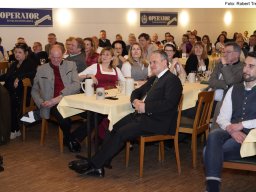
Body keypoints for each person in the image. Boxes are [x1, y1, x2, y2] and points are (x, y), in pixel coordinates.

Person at [69, 50, 183, 177]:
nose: (152, 65)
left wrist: (146, 106)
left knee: (122, 132)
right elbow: (136, 92)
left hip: (158, 121)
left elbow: (169, 104)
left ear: (165, 62)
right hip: (143, 116)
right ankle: (100, 163)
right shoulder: (154, 79)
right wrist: (135, 100)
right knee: (113, 127)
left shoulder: (172, 80)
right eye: (150, 62)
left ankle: (95, 165)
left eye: (154, 62)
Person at [203, 52, 256, 192]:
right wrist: (232, 130)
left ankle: (211, 188)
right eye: (245, 65)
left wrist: (243, 125)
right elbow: (222, 118)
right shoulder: (235, 88)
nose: (245, 69)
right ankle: (213, 188)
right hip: (232, 131)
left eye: (251, 66)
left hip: (252, 137)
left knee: (206, 152)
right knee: (214, 134)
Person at [31, 45, 82, 152]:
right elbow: (34, 90)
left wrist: (61, 96)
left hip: (71, 99)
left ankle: (71, 138)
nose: (56, 60)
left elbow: (77, 84)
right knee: (64, 118)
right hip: (51, 103)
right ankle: (71, 140)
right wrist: (41, 102)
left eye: (58, 57)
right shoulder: (41, 69)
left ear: (63, 55)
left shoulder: (71, 65)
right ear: (49, 55)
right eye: (53, 57)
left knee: (94, 116)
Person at [0, 43, 36, 139]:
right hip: (14, 92)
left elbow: (32, 73)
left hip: (25, 95)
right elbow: (7, 76)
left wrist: (19, 77)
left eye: (20, 52)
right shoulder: (15, 64)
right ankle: (6, 128)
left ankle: (15, 129)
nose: (17, 54)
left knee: (8, 101)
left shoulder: (30, 63)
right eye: (15, 52)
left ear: (26, 53)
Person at [208, 42, 244, 128]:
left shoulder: (242, 68)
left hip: (226, 100)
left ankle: (214, 132)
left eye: (228, 52)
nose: (224, 55)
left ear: (237, 54)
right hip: (211, 97)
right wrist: (225, 86)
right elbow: (211, 81)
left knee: (219, 107)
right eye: (224, 52)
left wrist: (225, 65)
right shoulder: (219, 65)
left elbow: (231, 81)